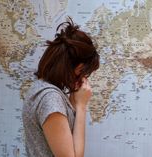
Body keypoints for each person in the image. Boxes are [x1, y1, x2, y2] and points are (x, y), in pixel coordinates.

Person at [22, 17, 100, 157]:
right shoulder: (50, 99)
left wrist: (74, 103)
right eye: (85, 72)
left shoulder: (42, 88)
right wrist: (81, 106)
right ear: (79, 68)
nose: (85, 78)